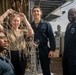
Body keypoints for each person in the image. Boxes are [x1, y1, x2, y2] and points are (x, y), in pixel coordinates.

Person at [0, 9, 34, 75]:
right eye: (14, 21)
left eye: (18, 21)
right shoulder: (7, 31)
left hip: (21, 55)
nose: (16, 22)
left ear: (20, 22)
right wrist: (6, 13)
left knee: (21, 73)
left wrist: (25, 19)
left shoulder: (23, 31)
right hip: (10, 54)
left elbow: (32, 33)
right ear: (11, 22)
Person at [31, 6, 56, 75]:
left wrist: (52, 50)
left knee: (46, 70)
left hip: (44, 49)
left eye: (37, 11)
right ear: (32, 13)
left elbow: (51, 37)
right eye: (34, 11)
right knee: (34, 69)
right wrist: (29, 42)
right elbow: (27, 37)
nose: (36, 12)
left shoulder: (47, 24)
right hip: (34, 50)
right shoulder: (30, 25)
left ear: (41, 13)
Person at [62, 8, 76, 75]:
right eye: (68, 15)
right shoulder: (68, 26)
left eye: (72, 15)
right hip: (66, 55)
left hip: (74, 56)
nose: (70, 16)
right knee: (65, 71)